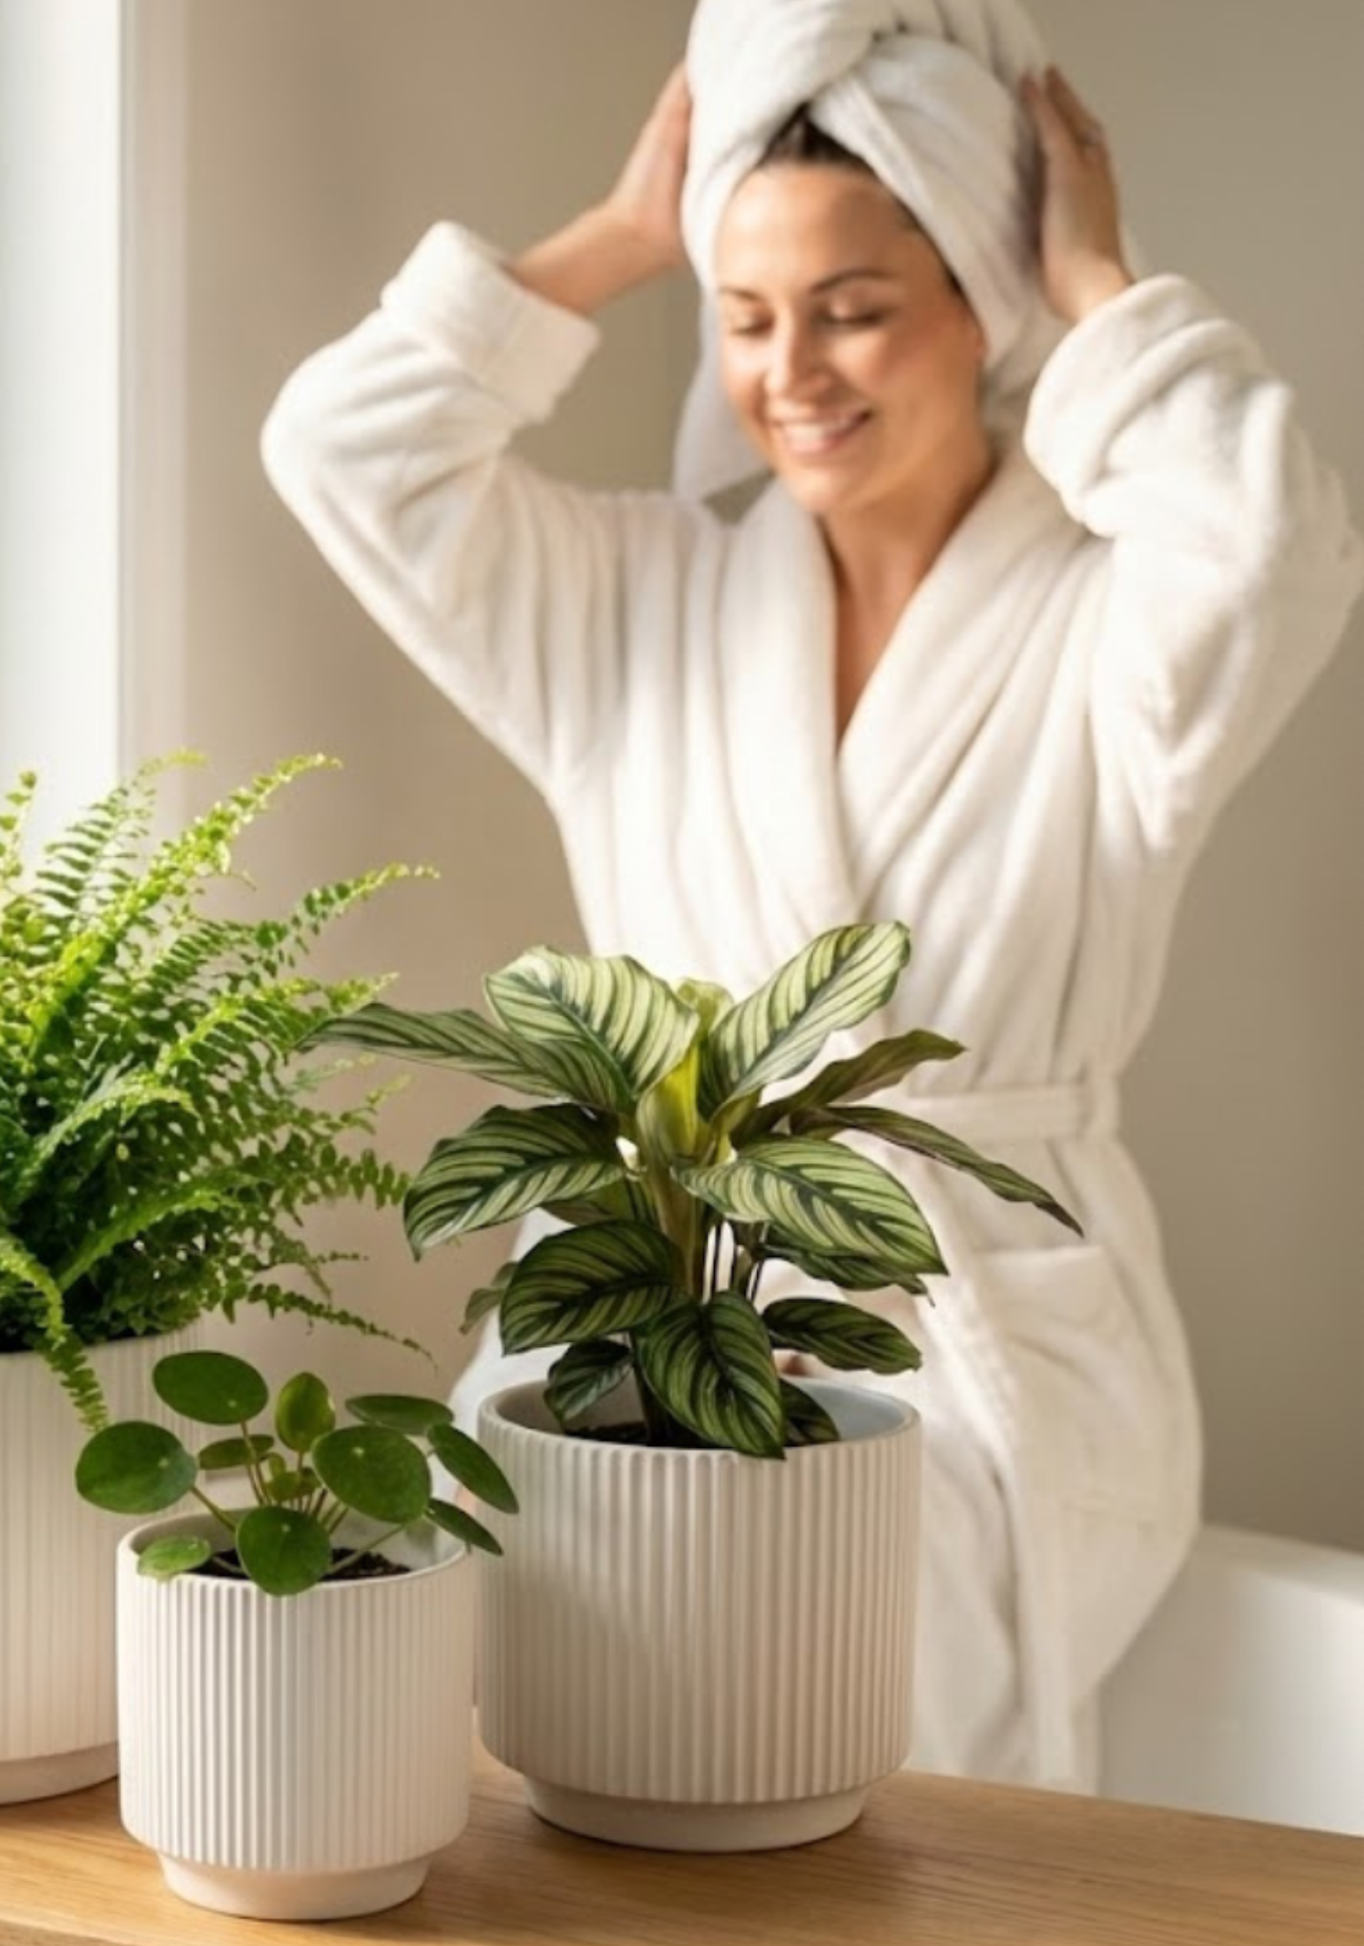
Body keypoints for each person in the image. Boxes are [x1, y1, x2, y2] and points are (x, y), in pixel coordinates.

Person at [259, 0, 1362, 1789]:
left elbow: (1270, 547)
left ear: (978, 304)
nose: (793, 372)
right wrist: (626, 234)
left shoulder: (1104, 628)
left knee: (845, 1721)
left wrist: (1101, 285)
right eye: (746, 317)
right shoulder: (631, 604)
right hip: (647, 1292)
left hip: (974, 1327)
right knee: (506, 1712)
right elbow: (341, 449)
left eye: (852, 309)